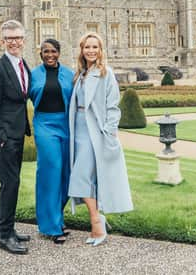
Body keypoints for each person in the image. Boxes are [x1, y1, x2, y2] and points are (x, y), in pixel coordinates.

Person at [68, 32, 133, 246]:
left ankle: (97, 223)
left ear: (101, 50)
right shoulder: (80, 74)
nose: (91, 51)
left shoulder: (106, 73)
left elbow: (113, 105)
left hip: (93, 130)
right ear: (82, 50)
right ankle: (97, 219)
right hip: (77, 129)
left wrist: (110, 131)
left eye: (95, 47)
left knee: (80, 177)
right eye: (87, 47)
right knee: (84, 177)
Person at [0, 20, 32, 255]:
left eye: (18, 37)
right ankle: (5, 236)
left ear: (24, 39)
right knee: (10, 184)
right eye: (10, 38)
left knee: (11, 184)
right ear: (2, 41)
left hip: (18, 133)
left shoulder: (23, 64)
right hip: (5, 137)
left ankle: (5, 229)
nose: (14, 42)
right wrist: (2, 138)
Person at [29, 38, 74, 244]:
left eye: (53, 51)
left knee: (66, 173)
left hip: (65, 125)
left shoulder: (69, 74)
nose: (49, 55)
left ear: (59, 53)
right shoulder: (33, 75)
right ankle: (51, 226)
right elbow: (19, 99)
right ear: (40, 54)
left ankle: (58, 217)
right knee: (51, 171)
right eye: (45, 51)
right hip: (44, 125)